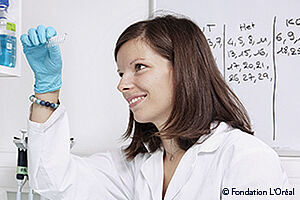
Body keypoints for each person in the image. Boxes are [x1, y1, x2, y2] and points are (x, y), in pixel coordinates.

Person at [21, 15, 291, 200]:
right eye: (120, 73)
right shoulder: (139, 164)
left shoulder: (247, 158)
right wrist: (47, 88)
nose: (122, 85)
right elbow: (52, 181)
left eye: (139, 67)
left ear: (184, 70)